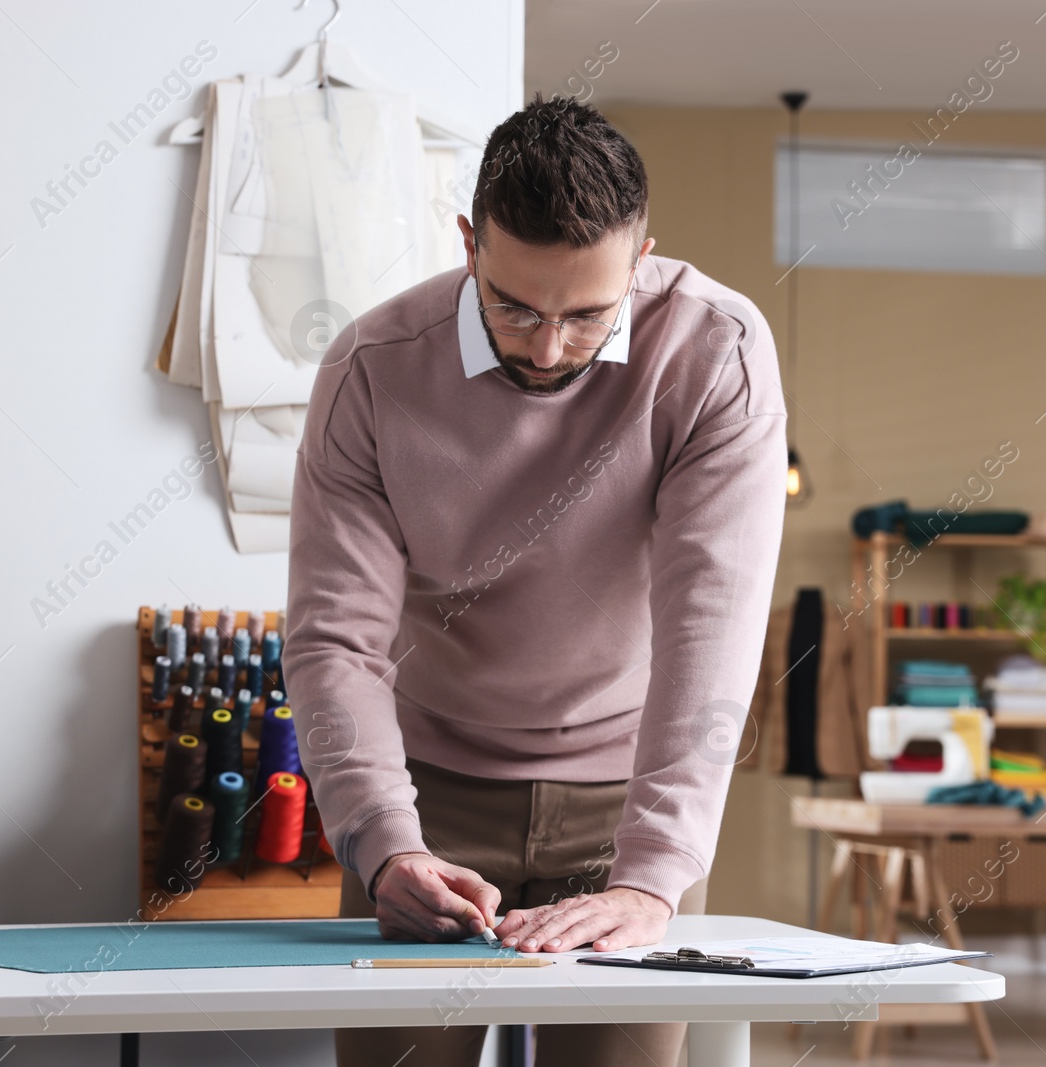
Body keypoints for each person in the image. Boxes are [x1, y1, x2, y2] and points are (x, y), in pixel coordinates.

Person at [284, 96, 787, 1067]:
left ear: (642, 260)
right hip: (425, 795)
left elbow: (708, 626)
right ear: (470, 242)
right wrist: (383, 840)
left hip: (625, 793)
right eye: (513, 305)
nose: (548, 348)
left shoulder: (715, 350)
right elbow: (334, 638)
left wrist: (651, 876)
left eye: (587, 314)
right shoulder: (372, 368)